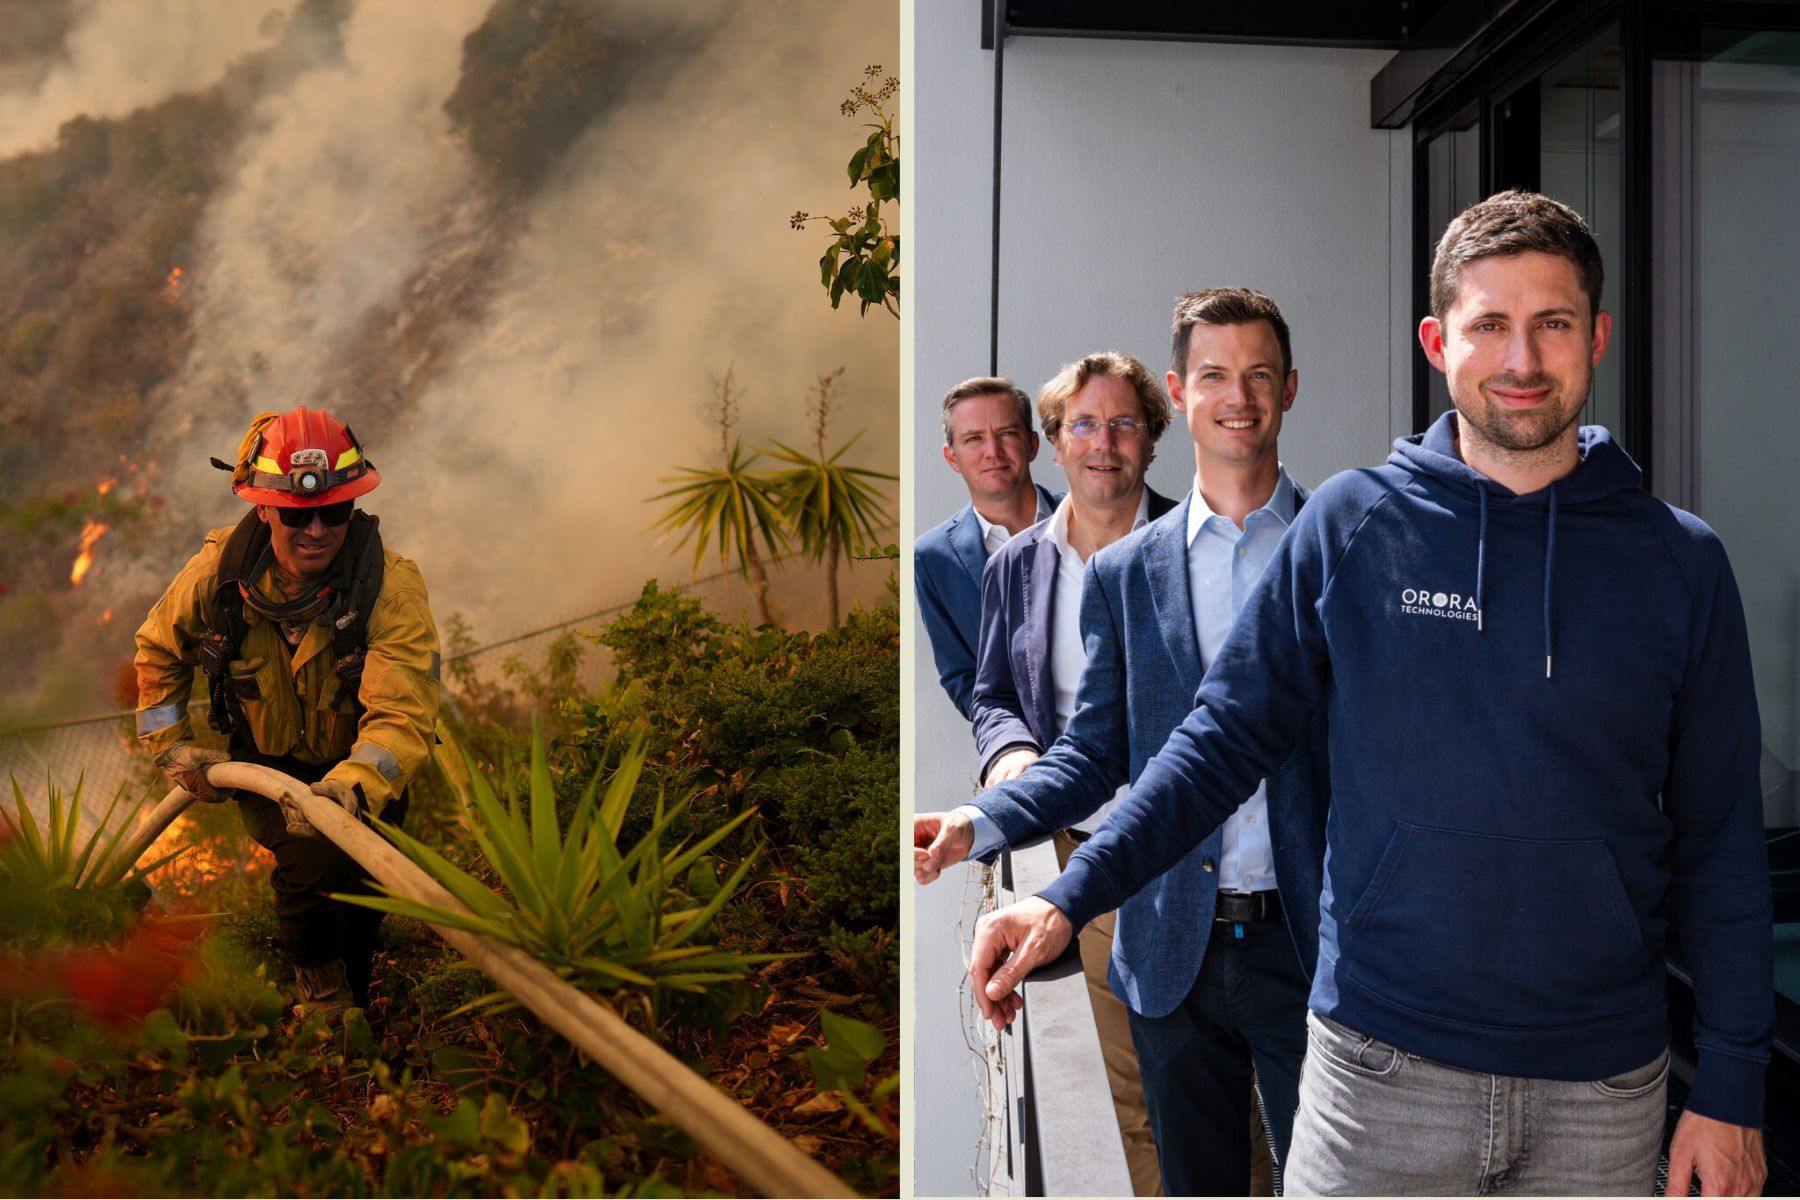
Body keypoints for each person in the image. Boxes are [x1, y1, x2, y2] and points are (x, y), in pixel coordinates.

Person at [963, 193, 1771, 1197]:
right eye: (1489, 325)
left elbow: (1722, 837)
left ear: (1595, 337)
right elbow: (1218, 741)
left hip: (1601, 1087)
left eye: (1552, 323)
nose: (1521, 358)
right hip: (1380, 1074)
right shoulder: (1354, 526)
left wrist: (1732, 1082)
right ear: (1439, 341)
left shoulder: (1679, 566)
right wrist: (1065, 894)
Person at [919, 291, 1328, 1196]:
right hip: (1168, 938)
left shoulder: (1334, 546)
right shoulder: (1125, 574)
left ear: (1289, 389)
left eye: (1259, 374)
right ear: (1182, 394)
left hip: (1311, 943)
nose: (1239, 396)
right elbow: (1095, 751)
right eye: (1215, 375)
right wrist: (981, 818)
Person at [135, 407, 441, 1027]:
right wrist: (168, 746)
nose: (317, 530)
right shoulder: (221, 573)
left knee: (361, 903)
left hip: (360, 778)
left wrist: (351, 787)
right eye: (299, 515)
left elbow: (402, 717)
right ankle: (328, 1014)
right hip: (267, 768)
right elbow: (159, 647)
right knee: (309, 874)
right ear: (266, 509)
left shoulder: (389, 588)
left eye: (335, 511)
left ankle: (350, 990)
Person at [967, 350, 1178, 1194]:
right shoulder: (1018, 566)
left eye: (1125, 423)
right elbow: (992, 694)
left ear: (1153, 441)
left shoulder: (1190, 548)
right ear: (1052, 444)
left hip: (1186, 857)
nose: (1104, 443)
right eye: (1083, 424)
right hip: (1082, 864)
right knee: (1130, 1098)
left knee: (1214, 1091)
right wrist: (1013, 754)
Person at [915, 377, 1063, 720]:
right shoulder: (933, 557)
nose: (992, 452)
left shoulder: (1087, 518)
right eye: (974, 439)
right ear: (952, 457)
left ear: (1032, 444)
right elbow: (962, 679)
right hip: (1020, 753)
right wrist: (1012, 740)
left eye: (1007, 434)